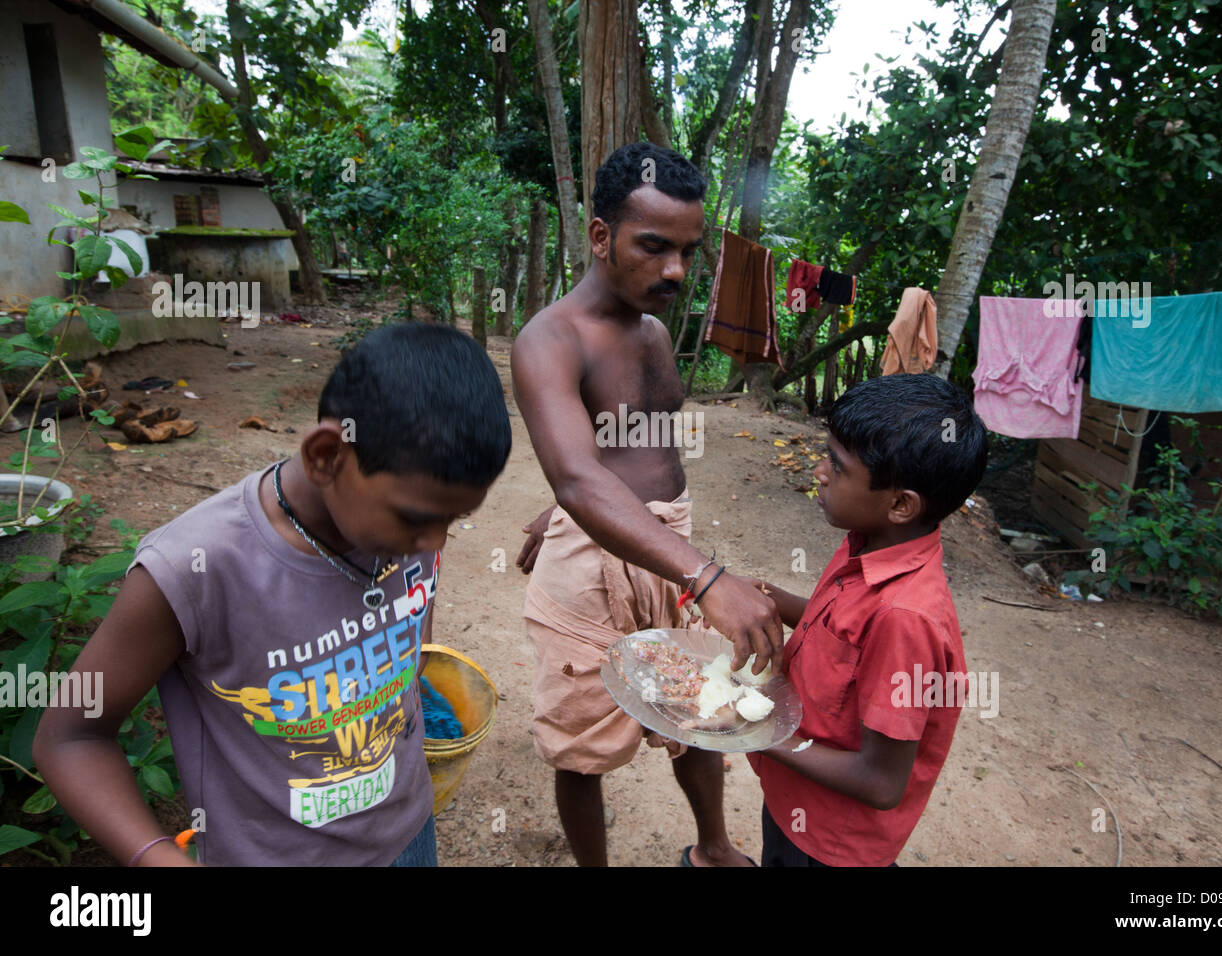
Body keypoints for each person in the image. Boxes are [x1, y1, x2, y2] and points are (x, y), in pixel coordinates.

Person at [33, 323, 512, 866]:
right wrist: (155, 857)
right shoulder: (197, 568)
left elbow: (409, 637)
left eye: (453, 519)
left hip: (409, 834)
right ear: (327, 456)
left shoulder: (406, 533)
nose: (432, 543)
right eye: (418, 519)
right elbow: (70, 739)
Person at [512, 142, 784, 867]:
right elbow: (577, 475)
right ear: (600, 236)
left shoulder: (657, 333)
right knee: (582, 741)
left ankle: (715, 847)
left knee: (698, 706)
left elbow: (623, 451)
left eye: (687, 252)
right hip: (600, 567)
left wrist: (566, 507)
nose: (675, 271)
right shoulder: (549, 339)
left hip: (664, 546)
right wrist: (705, 575)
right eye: (654, 246)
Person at [739, 374, 989, 866]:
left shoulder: (905, 619)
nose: (819, 471)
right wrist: (762, 596)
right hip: (797, 803)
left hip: (831, 843)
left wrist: (749, 732)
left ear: (900, 504)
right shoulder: (868, 542)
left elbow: (880, 782)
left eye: (837, 465)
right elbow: (840, 635)